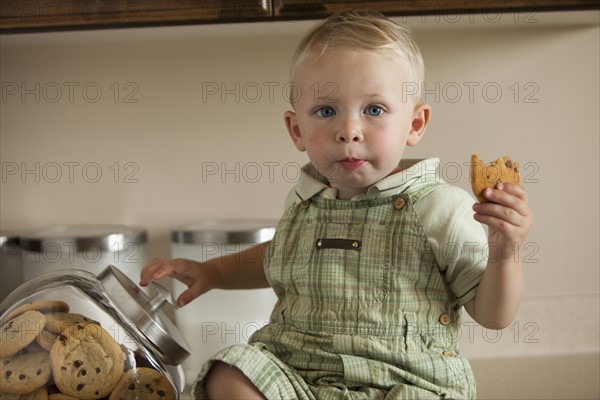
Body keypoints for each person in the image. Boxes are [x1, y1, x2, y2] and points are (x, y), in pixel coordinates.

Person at [140, 10, 533, 400]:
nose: (348, 131)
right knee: (227, 372)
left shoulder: (439, 208)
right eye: (326, 111)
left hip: (404, 383)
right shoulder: (305, 202)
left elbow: (495, 316)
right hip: (299, 375)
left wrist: (505, 247)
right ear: (297, 130)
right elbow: (280, 256)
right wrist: (213, 272)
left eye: (374, 110)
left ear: (414, 124)